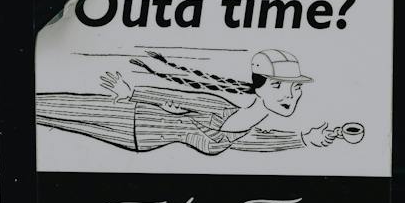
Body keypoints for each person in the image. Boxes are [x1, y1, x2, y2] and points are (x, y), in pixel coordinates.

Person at [37, 48, 346, 155]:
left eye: (294, 87)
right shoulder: (219, 107)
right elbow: (178, 96)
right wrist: (132, 93)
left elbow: (263, 142)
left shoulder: (244, 132)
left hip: (136, 140)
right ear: (260, 87)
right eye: (279, 85)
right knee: (46, 107)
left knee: (46, 120)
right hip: (131, 114)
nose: (289, 95)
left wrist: (305, 139)